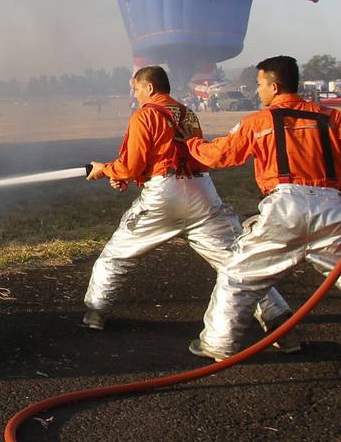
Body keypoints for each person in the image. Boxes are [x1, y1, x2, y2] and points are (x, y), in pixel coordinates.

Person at [184, 56, 341, 380]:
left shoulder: (257, 122)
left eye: (260, 84)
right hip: (332, 212)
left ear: (273, 86)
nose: (258, 90)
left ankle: (219, 345)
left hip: (283, 210)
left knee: (238, 277)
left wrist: (190, 144)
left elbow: (220, 155)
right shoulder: (330, 118)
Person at [81, 66, 299, 348]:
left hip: (163, 195)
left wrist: (106, 170)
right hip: (202, 192)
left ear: (149, 88)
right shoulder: (187, 113)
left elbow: (132, 163)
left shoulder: (144, 114)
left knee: (116, 255)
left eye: (135, 89)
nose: (134, 94)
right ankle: (280, 323)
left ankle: (95, 312)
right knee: (237, 263)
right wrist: (128, 175)